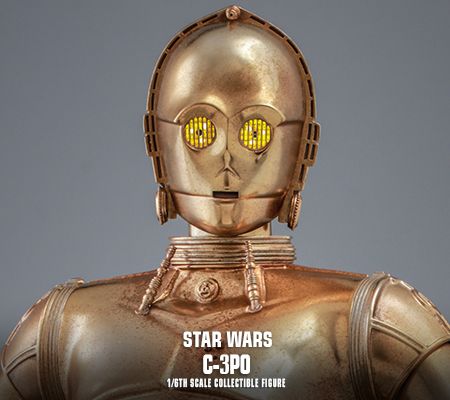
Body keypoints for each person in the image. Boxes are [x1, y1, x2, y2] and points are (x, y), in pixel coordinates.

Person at [1, 6, 449, 399]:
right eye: (200, 130)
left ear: (301, 147)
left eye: (256, 131)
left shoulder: (371, 327)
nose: (227, 159)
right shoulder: (64, 329)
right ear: (158, 141)